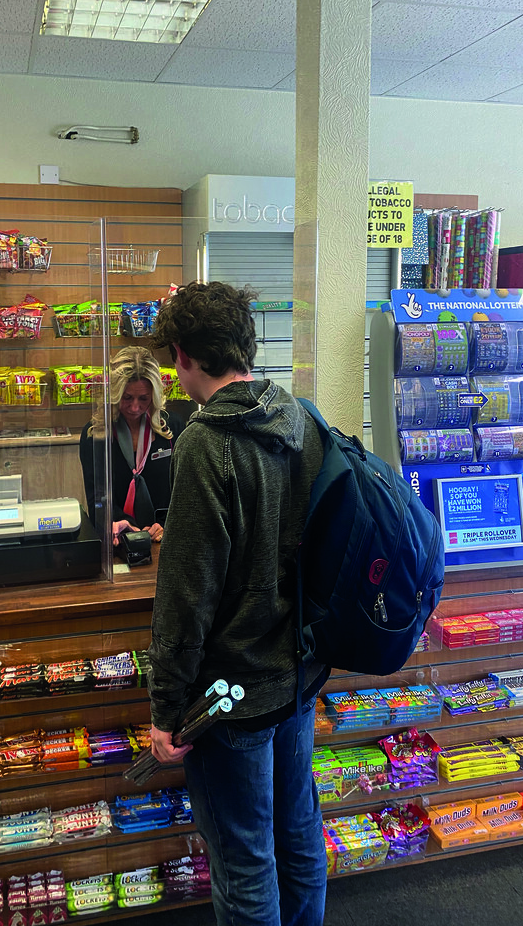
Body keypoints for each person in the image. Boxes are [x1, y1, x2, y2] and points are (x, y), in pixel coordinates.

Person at [147, 281, 328, 926]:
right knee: (299, 835)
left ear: (182, 356)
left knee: (245, 862)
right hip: (297, 676)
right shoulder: (298, 418)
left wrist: (167, 707)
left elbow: (187, 593)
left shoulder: (206, 442)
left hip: (232, 694)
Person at [79, 345, 184, 546]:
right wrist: (124, 525)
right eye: (126, 398)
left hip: (165, 538)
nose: (135, 407)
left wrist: (166, 524)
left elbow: (183, 492)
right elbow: (97, 499)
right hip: (121, 539)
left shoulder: (172, 428)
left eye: (143, 398)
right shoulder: (96, 434)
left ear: (154, 395)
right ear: (114, 393)